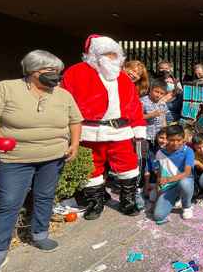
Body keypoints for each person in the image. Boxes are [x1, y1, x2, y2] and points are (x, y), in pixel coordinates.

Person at [0, 50, 83, 272]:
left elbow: (75, 120)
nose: (56, 76)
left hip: (54, 156)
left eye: (58, 71)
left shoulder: (63, 95)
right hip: (16, 157)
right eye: (50, 71)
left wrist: (74, 144)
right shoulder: (5, 88)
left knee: (45, 196)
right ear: (33, 72)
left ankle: (39, 234)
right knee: (8, 203)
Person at [62, 34, 147, 220]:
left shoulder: (122, 77)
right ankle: (95, 203)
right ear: (94, 54)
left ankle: (128, 201)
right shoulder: (75, 72)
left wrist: (138, 127)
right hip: (89, 132)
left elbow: (134, 105)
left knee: (128, 166)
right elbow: (65, 102)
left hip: (120, 131)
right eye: (107, 54)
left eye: (114, 54)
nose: (112, 58)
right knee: (92, 168)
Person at [153, 125, 195, 222]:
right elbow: (159, 176)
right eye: (172, 140)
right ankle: (176, 198)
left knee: (185, 183)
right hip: (169, 187)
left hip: (183, 181)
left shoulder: (188, 151)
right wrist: (158, 194)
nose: (175, 143)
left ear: (183, 139)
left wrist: (168, 179)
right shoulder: (160, 153)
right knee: (158, 216)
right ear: (167, 138)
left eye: (179, 140)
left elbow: (187, 172)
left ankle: (187, 206)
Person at [141, 79, 168, 144]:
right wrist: (151, 115)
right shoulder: (143, 102)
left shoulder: (162, 104)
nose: (158, 95)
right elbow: (137, 117)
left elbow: (163, 119)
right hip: (146, 137)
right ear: (150, 90)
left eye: (161, 93)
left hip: (158, 138)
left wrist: (165, 131)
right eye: (156, 91)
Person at [144, 128, 167, 202]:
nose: (164, 141)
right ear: (157, 137)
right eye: (161, 138)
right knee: (152, 198)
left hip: (170, 180)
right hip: (156, 180)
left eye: (166, 138)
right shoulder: (152, 151)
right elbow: (147, 170)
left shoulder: (173, 151)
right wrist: (146, 186)